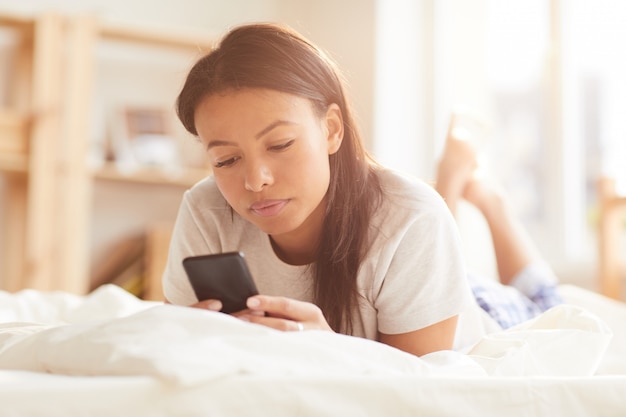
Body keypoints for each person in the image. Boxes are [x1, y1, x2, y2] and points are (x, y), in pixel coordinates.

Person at [162, 22, 476, 357]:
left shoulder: (413, 218)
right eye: (226, 160)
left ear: (331, 130)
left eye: (280, 144)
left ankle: (465, 183)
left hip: (485, 310)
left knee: (533, 290)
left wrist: (329, 353)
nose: (256, 181)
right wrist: (184, 341)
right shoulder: (205, 208)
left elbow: (416, 393)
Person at [435, 115, 563, 330]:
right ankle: (486, 199)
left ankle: (481, 197)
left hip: (523, 314)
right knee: (552, 312)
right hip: (540, 325)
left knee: (547, 305)